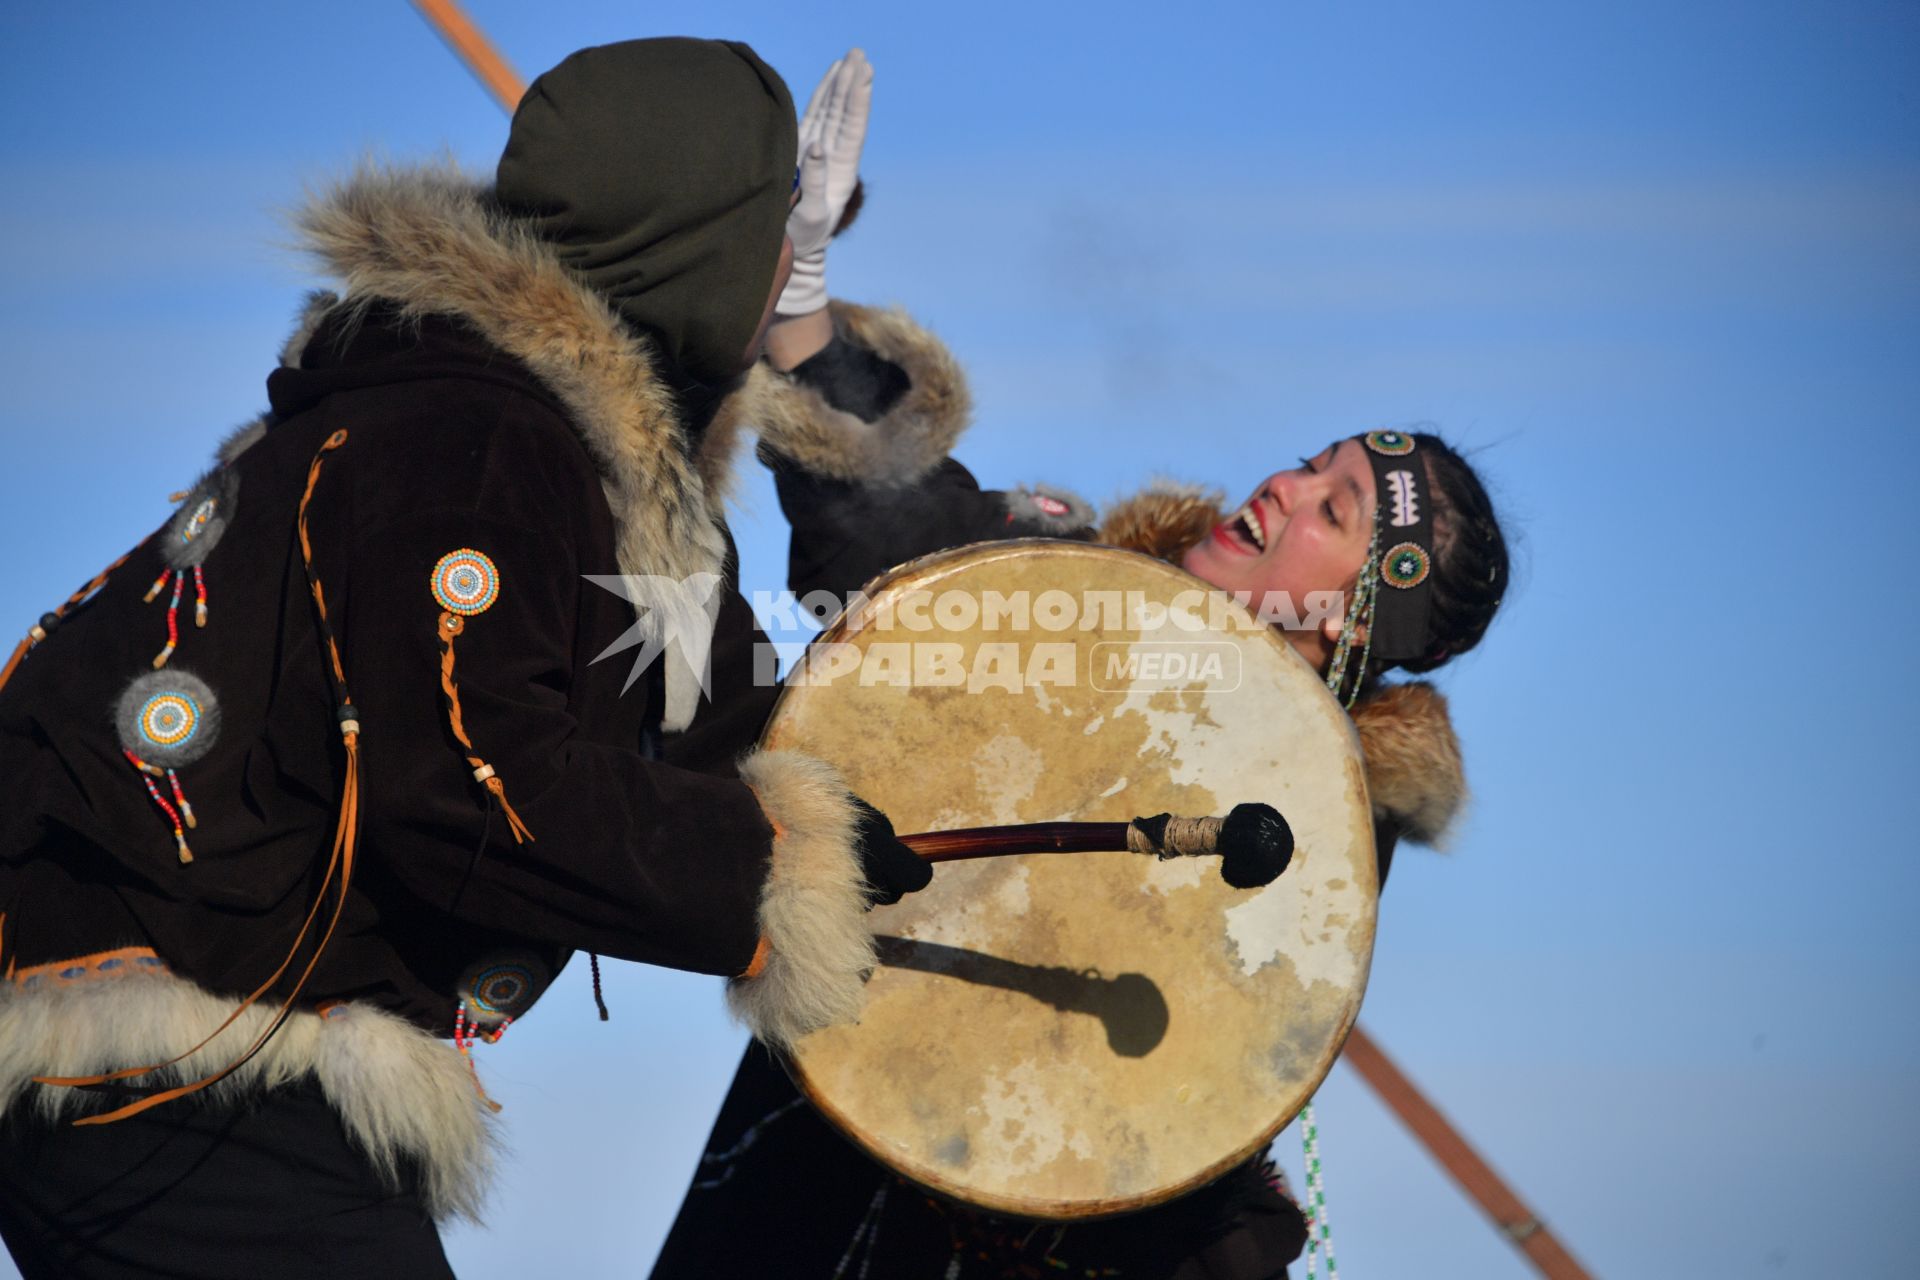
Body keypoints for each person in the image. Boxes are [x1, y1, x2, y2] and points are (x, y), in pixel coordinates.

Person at [0, 38, 935, 1280]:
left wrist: (928, 823)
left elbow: (746, 725)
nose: (789, 266)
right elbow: (470, 777)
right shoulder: (477, 438)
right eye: (776, 227)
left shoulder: (577, 460)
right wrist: (780, 854)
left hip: (223, 1048)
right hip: (157, 1036)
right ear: (701, 245)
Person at [650, 69, 1511, 1279]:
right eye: (1309, 461)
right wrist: (795, 298)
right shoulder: (1068, 591)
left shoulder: (1308, 830)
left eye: (1335, 507)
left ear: (1358, 617)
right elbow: (898, 542)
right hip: (813, 1161)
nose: (1283, 484)